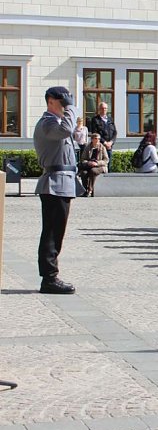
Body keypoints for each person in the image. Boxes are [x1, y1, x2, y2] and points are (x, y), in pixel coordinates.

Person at [34, 87, 80, 294]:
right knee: (52, 233)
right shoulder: (48, 124)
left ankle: (51, 276)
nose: (66, 106)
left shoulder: (57, 123)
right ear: (51, 101)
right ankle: (49, 278)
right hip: (54, 184)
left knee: (56, 232)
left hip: (63, 183)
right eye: (63, 102)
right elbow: (67, 131)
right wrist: (71, 108)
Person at [78, 132, 109, 197]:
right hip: (89, 166)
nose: (98, 140)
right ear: (92, 139)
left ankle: (90, 190)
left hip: (100, 166)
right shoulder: (87, 147)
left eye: (99, 139)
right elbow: (83, 158)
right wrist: (88, 162)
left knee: (93, 171)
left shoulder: (102, 147)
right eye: (96, 138)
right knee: (84, 173)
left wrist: (97, 163)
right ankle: (85, 190)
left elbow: (106, 160)